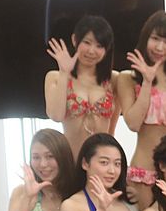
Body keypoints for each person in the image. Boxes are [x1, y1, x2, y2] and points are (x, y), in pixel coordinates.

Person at [116, 11, 166, 208]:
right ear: (145, 38)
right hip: (144, 172)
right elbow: (133, 123)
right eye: (155, 38)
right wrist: (147, 82)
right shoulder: (128, 78)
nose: (160, 47)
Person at [44, 15, 118, 155]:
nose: (91, 51)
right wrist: (64, 73)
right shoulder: (55, 77)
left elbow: (111, 132)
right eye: (87, 42)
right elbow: (56, 115)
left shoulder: (113, 80)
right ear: (74, 40)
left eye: (99, 46)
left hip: (102, 160)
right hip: (70, 160)